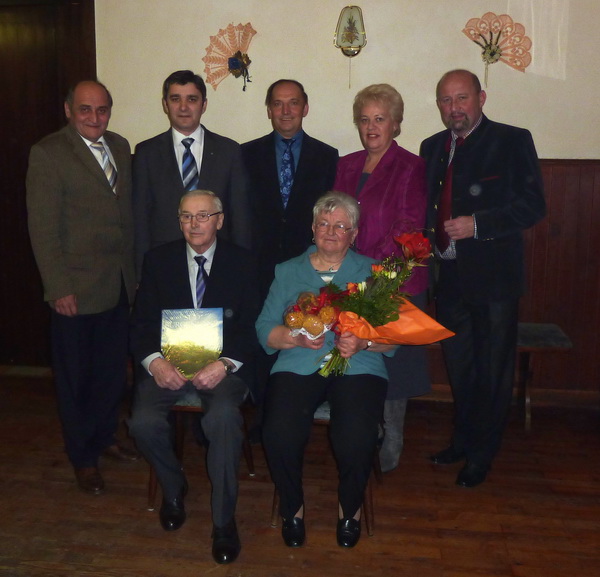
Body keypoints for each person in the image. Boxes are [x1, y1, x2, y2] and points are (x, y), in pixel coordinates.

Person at [420, 69, 545, 487]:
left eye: (462, 98)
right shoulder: (431, 146)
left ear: (481, 98)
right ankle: (462, 439)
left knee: (492, 372)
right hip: (450, 277)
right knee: (461, 368)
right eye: (445, 100)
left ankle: (481, 454)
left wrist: (478, 224)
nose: (453, 107)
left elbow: (532, 206)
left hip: (494, 282)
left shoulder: (512, 140)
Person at [257, 192, 395, 549]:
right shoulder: (288, 270)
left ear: (354, 233)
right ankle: (292, 508)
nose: (330, 231)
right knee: (279, 432)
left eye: (340, 226)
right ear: (312, 228)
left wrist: (363, 342)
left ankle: (350, 510)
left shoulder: (373, 271)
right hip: (298, 362)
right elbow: (264, 328)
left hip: (358, 365)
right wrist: (293, 337)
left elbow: (392, 337)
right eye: (323, 224)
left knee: (357, 436)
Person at [128, 190, 259, 564]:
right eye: (186, 216)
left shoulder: (244, 262)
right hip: (169, 367)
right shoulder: (158, 260)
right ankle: (174, 487)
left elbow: (252, 326)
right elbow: (141, 324)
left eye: (203, 216)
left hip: (222, 369)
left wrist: (225, 364)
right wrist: (155, 363)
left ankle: (223, 522)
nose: (194, 224)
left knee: (221, 418)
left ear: (220, 220)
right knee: (142, 423)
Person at [26, 80, 138, 496]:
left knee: (111, 373)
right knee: (76, 378)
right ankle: (82, 457)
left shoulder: (122, 147)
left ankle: (105, 437)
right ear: (69, 110)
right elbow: (43, 228)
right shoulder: (49, 153)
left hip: (119, 283)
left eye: (102, 110)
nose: (95, 118)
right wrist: (58, 287)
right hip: (74, 287)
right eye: (86, 110)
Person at [333, 84, 429, 473]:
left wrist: (377, 279)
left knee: (394, 368)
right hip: (351, 277)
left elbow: (408, 226)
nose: (371, 126)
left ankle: (393, 434)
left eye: (380, 119)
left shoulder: (411, 166)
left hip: (394, 281)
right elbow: (336, 218)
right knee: (357, 356)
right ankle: (365, 429)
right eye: (365, 119)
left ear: (396, 124)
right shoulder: (346, 164)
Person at [241, 78, 339, 440]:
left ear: (305, 107)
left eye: (293, 103)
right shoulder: (246, 153)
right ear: (268, 110)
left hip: (307, 264)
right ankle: (264, 417)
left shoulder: (327, 157)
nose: (285, 111)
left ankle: (298, 411)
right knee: (266, 337)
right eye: (278, 104)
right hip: (259, 262)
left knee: (305, 332)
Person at [132, 70, 251, 277]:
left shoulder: (229, 151)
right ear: (165, 104)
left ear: (203, 105)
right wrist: (142, 272)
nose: (184, 107)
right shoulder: (146, 153)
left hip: (220, 261)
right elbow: (140, 218)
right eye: (175, 99)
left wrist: (244, 266)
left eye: (192, 99)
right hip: (163, 262)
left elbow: (239, 215)